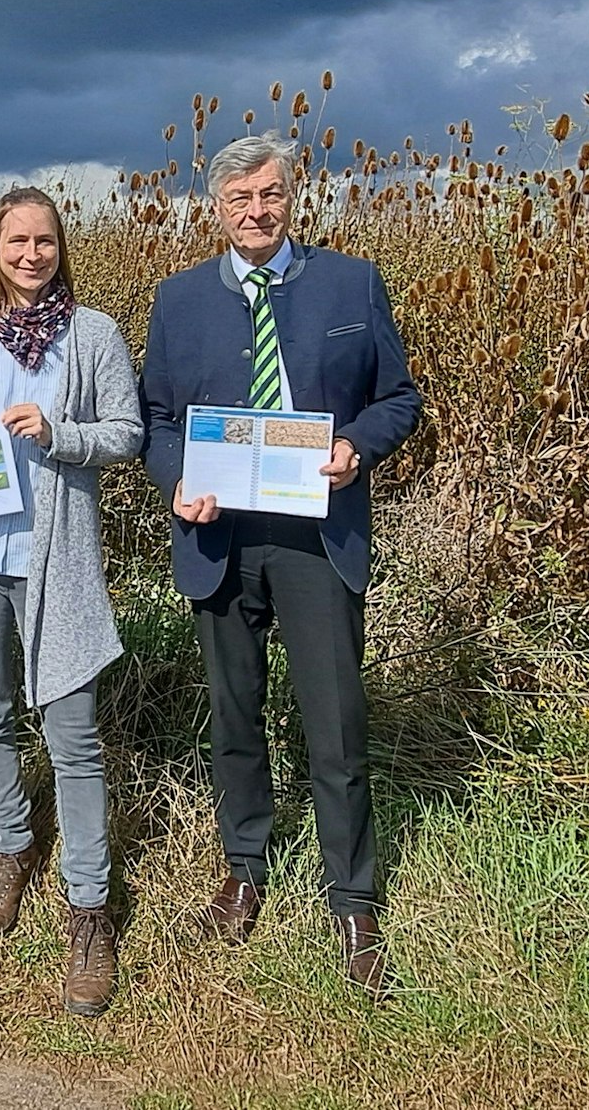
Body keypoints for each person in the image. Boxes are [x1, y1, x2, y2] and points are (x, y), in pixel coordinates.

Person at [138, 133, 421, 995]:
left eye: (268, 196)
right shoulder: (178, 299)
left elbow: (398, 398)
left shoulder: (348, 283)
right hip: (220, 539)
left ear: (291, 196)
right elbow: (155, 419)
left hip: (315, 538)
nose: (255, 213)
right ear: (214, 208)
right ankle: (244, 867)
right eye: (238, 201)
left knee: (335, 725)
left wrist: (355, 446)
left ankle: (353, 897)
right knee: (235, 718)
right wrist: (176, 479)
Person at [0, 188, 141, 1016]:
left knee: (73, 737)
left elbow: (128, 432)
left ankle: (87, 905)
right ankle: (10, 846)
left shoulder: (95, 335)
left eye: (44, 240)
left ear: (59, 247)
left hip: (59, 567)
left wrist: (58, 432)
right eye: (17, 240)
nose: (32, 253)